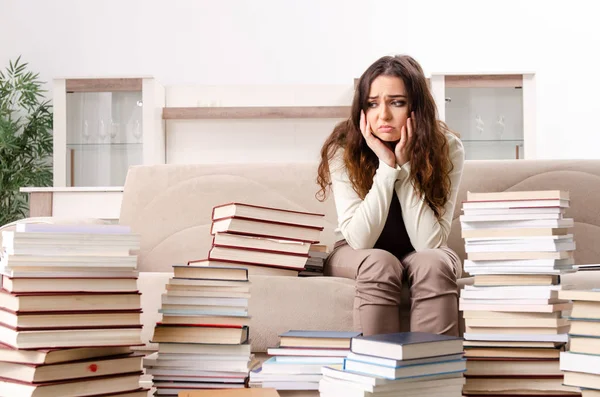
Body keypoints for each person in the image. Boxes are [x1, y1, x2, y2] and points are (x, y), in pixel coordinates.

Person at [316, 55, 465, 337]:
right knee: (380, 263)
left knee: (434, 263)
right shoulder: (344, 147)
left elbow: (429, 243)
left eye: (396, 102)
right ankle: (378, 375)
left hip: (422, 248)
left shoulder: (447, 147)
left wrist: (405, 167)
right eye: (372, 104)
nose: (382, 115)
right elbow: (360, 240)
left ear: (416, 108)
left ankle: (432, 373)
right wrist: (387, 167)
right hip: (355, 251)